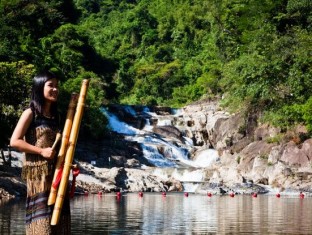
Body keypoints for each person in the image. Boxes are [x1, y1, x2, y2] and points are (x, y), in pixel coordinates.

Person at [10, 71, 71, 234]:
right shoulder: (30, 113)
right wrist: (41, 151)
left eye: (57, 86)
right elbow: (15, 141)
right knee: (42, 225)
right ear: (39, 87)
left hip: (57, 175)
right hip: (39, 176)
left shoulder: (57, 116)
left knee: (59, 224)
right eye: (51, 85)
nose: (55, 89)